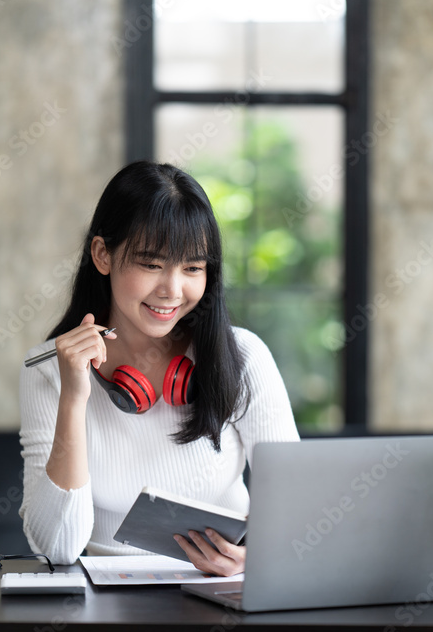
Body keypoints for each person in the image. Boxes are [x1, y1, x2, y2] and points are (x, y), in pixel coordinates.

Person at [18, 161, 299, 576]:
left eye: (192, 268)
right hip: (106, 607)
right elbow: (57, 548)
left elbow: (301, 508)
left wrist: (256, 558)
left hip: (222, 594)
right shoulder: (47, 372)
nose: (172, 290)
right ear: (103, 255)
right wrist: (74, 398)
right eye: (151, 264)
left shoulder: (244, 358)